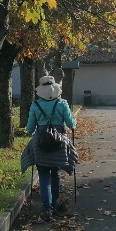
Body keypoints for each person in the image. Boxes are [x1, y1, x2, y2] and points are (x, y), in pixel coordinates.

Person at [24, 75, 76, 222]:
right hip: (59, 143)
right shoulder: (62, 103)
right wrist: (73, 123)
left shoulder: (35, 105)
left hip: (41, 144)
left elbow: (29, 128)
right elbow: (71, 124)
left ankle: (46, 208)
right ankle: (54, 204)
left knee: (44, 175)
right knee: (56, 174)